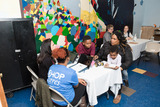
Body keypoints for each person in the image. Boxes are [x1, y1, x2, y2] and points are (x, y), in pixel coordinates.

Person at [94, 30, 133, 104]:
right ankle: (100, 88)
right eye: (111, 38)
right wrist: (97, 56)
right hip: (106, 65)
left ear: (119, 40)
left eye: (114, 39)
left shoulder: (125, 47)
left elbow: (129, 60)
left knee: (118, 75)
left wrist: (122, 67)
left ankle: (118, 93)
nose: (111, 40)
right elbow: (100, 53)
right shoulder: (106, 44)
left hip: (118, 66)